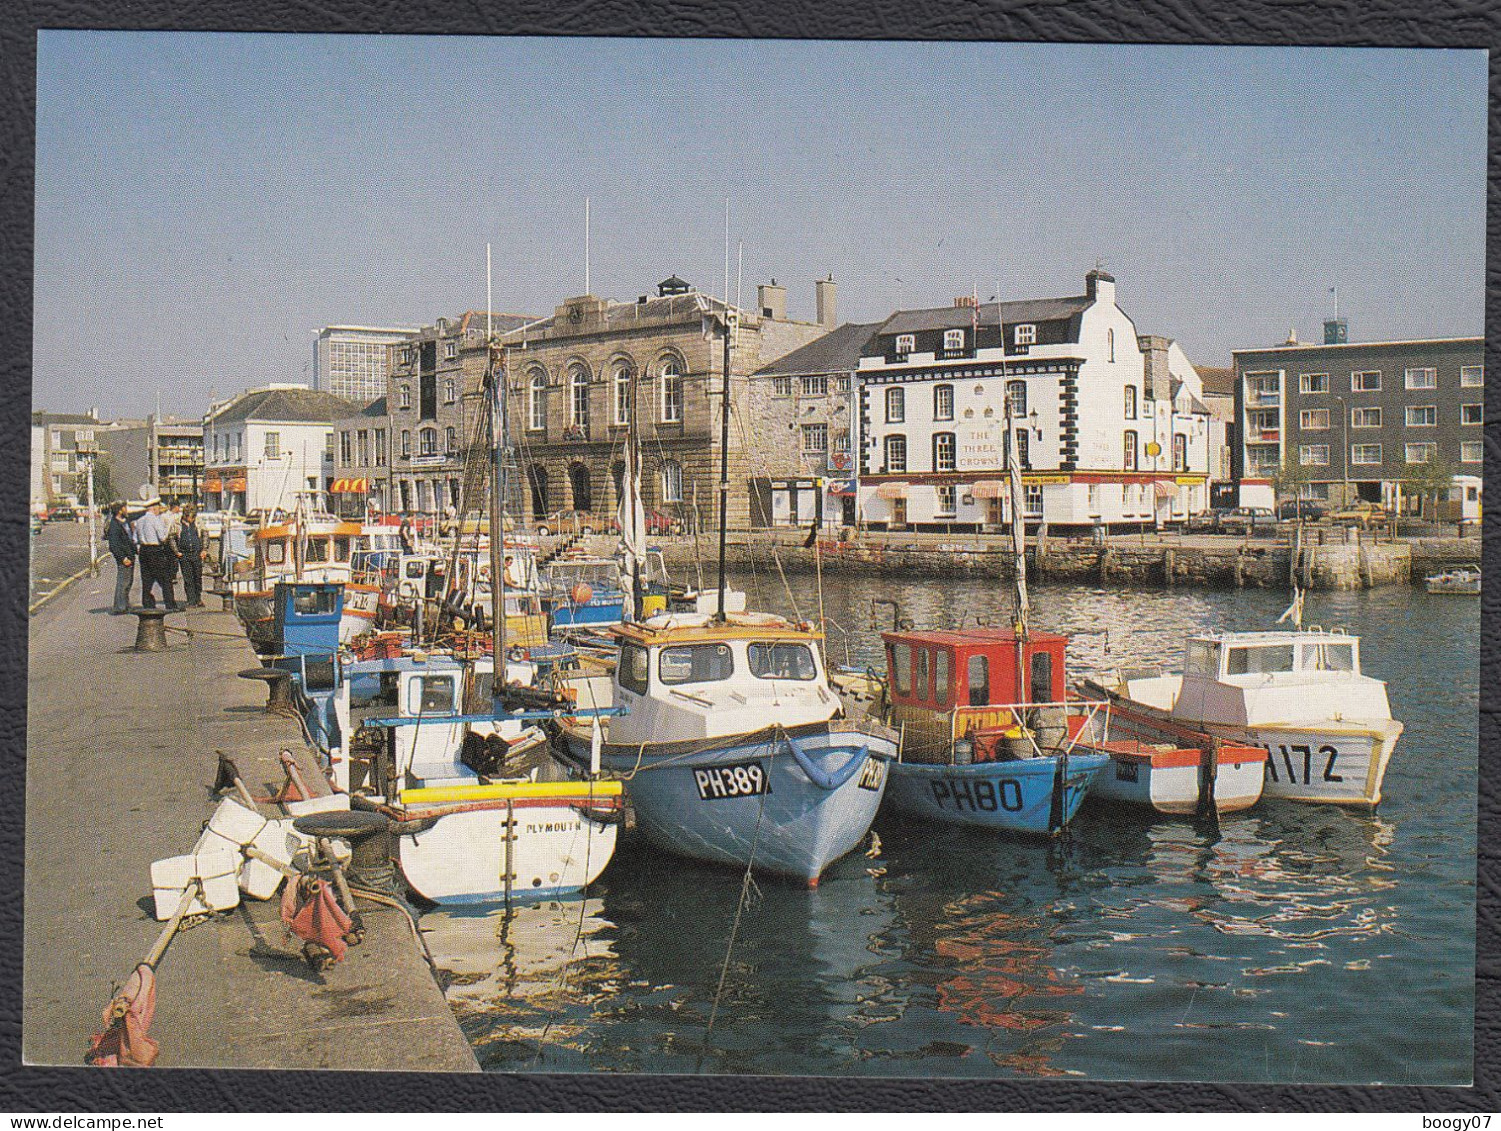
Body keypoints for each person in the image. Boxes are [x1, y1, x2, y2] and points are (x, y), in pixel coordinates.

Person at [132, 497, 179, 611]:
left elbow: (134, 539)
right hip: (155, 550)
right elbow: (162, 538)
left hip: (144, 550)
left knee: (146, 579)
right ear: (153, 508)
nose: (159, 509)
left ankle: (147, 603)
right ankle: (170, 604)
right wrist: (168, 528)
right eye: (158, 507)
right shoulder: (155, 520)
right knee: (165, 579)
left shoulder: (140, 521)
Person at [104, 501, 136, 615]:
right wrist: (123, 558)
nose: (127, 509)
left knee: (128, 582)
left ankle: (125, 604)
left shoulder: (125, 521)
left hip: (130, 555)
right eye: (125, 507)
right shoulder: (114, 525)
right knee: (122, 582)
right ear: (119, 510)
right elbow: (113, 545)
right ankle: (119, 607)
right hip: (124, 557)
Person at [176, 504, 208, 607]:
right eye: (191, 517)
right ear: (185, 516)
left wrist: (204, 549)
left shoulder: (198, 522)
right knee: (188, 578)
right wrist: (177, 551)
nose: (192, 519)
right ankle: (191, 599)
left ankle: (198, 598)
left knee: (197, 577)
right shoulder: (177, 523)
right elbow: (172, 537)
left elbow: (205, 535)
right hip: (184, 554)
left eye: (193, 517)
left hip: (196, 553)